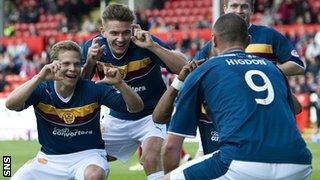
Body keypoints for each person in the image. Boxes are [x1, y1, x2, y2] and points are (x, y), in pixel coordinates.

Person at [163, 13, 312, 180]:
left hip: (243, 161)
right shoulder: (274, 69)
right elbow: (297, 108)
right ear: (248, 41)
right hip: (298, 162)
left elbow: (170, 147)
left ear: (214, 41)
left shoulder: (203, 70)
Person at [6, 40, 144, 180]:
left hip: (89, 156)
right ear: (54, 64)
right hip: (49, 160)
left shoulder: (93, 88)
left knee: (94, 175)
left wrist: (120, 84)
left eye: (77, 64)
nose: (72, 68)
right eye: (66, 63)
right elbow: (10, 104)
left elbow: (136, 107)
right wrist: (39, 78)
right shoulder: (42, 89)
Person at [81, 3, 187, 180]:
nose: (121, 39)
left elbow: (185, 67)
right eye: (114, 33)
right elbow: (80, 88)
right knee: (84, 154)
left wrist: (153, 47)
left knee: (150, 158)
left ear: (133, 29)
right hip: (117, 116)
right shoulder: (93, 48)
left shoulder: (145, 42)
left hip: (153, 115)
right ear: (103, 31)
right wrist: (90, 63)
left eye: (125, 32)